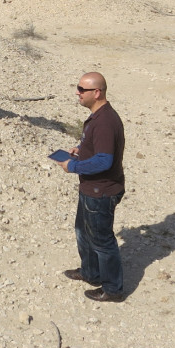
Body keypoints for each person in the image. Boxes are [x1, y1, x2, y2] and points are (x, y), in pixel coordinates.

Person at [54, 72, 127, 303]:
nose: (77, 92)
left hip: (101, 192)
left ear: (97, 93)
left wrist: (73, 165)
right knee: (83, 232)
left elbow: (104, 160)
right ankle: (90, 273)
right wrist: (80, 148)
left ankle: (113, 289)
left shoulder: (105, 122)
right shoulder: (98, 116)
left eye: (81, 89)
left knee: (102, 241)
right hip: (90, 189)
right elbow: (95, 147)